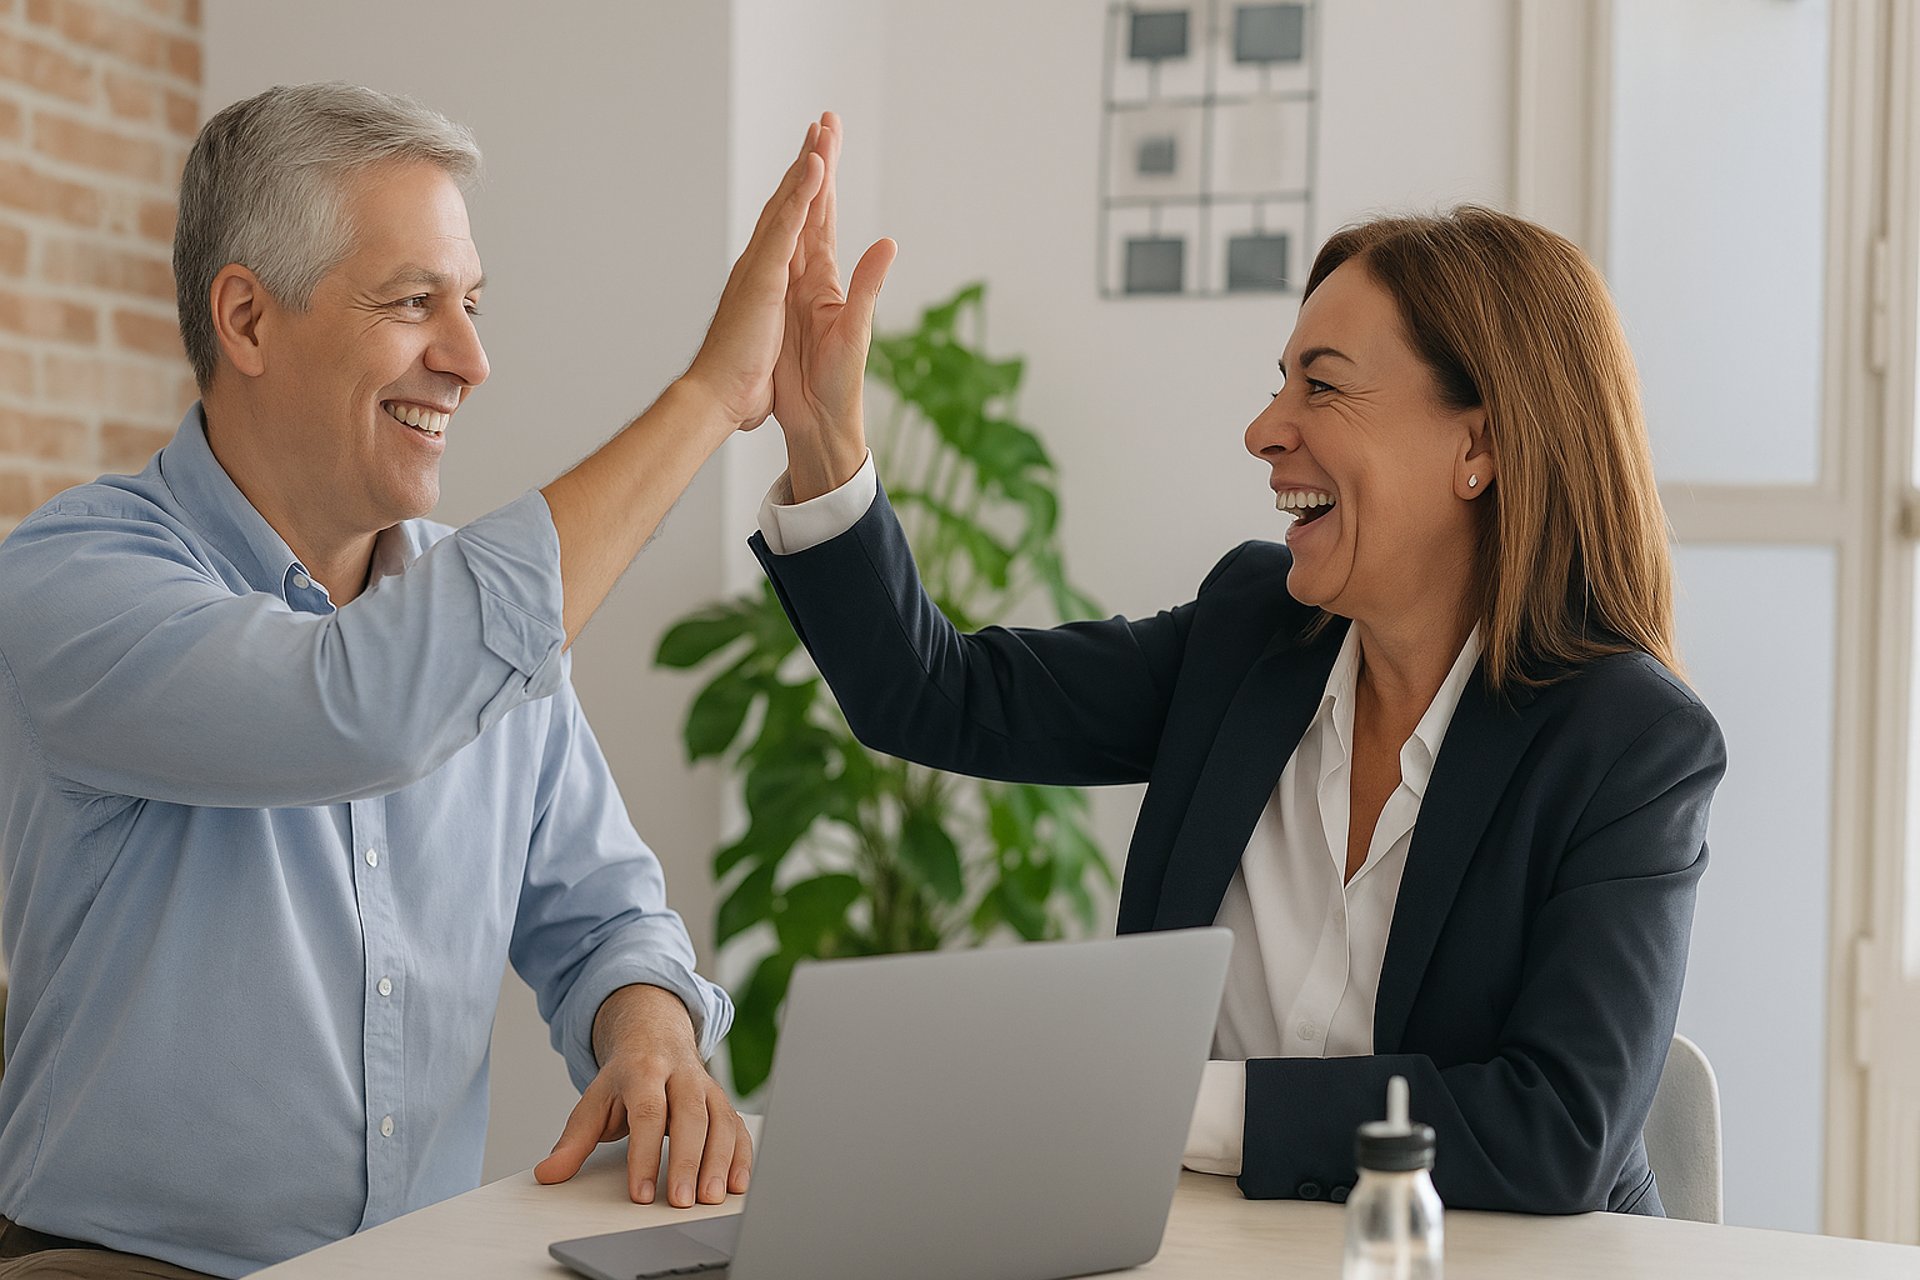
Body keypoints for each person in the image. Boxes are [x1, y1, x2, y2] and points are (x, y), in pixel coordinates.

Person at [752, 121, 1726, 1215]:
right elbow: (934, 695)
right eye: (1281, 384)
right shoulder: (1252, 637)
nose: (1266, 429)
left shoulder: (1628, 744)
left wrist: (1176, 1104)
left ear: (1479, 447)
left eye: (1323, 386)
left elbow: (1555, 1128)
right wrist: (825, 439)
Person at [0, 84, 832, 1278]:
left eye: (474, 305)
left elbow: (604, 916)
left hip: (424, 1257)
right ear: (246, 317)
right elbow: (352, 705)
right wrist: (709, 397)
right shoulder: (70, 584)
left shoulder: (478, 631)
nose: (471, 358)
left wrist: (649, 1031)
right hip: (125, 1263)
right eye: (413, 303)